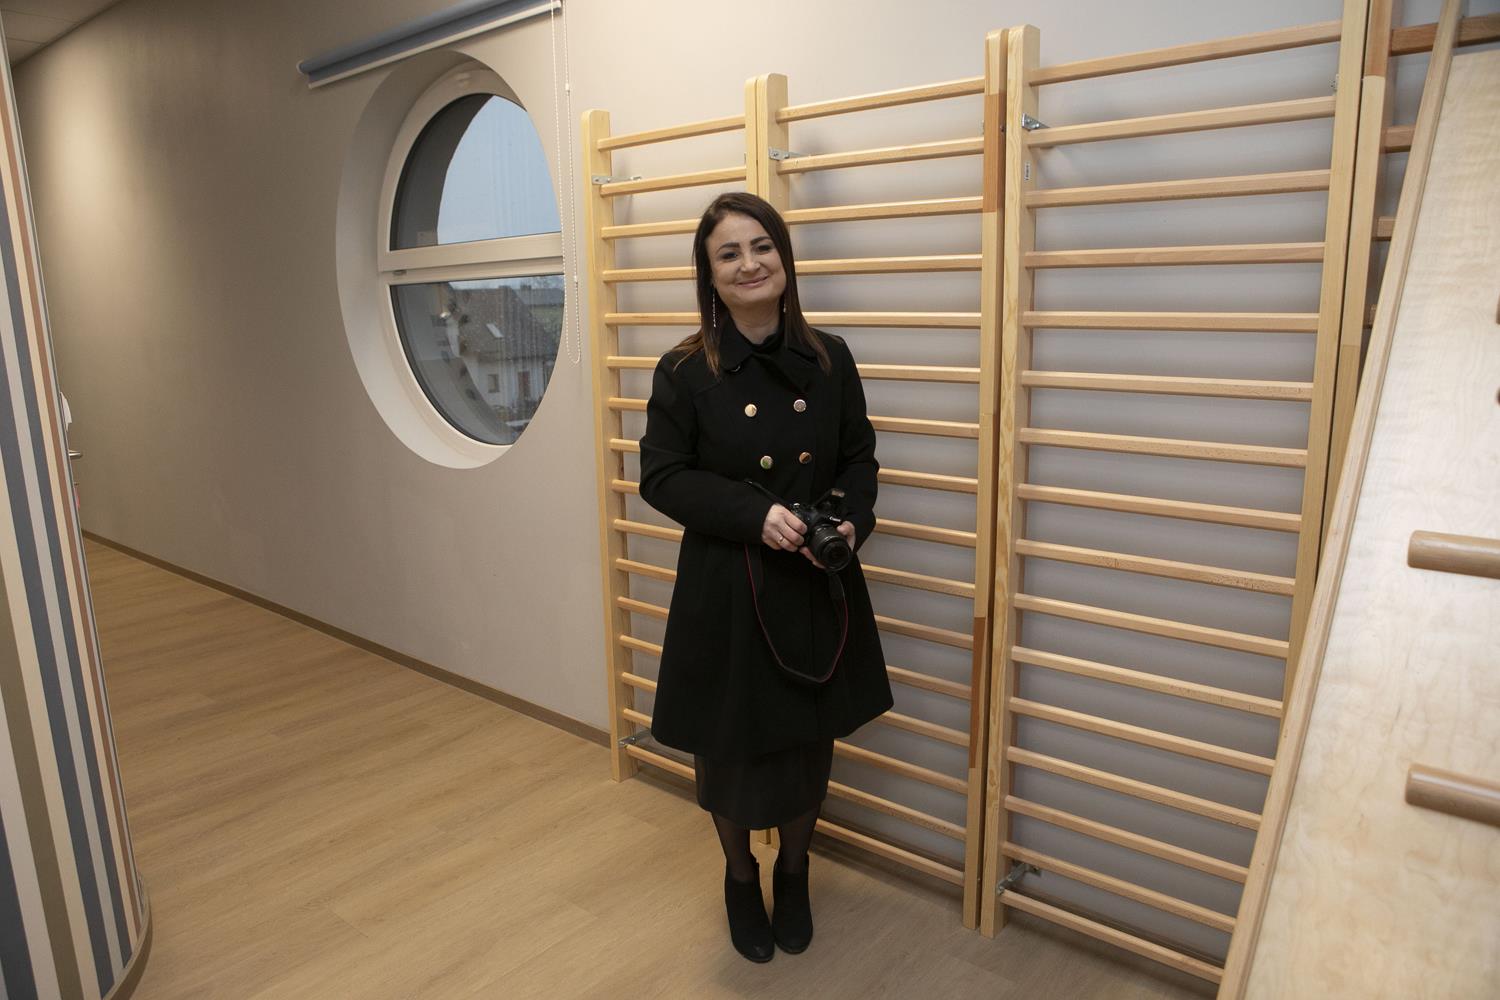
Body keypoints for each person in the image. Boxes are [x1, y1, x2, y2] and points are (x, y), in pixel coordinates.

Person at [639, 192, 893, 962]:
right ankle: (740, 875)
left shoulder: (829, 357)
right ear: (710, 275)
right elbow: (662, 476)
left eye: (762, 247)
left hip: (813, 580)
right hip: (727, 582)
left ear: (783, 259)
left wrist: (850, 521)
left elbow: (859, 458)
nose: (749, 264)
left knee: (806, 746)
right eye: (729, 253)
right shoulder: (685, 370)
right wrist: (754, 515)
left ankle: (794, 870)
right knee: (730, 750)